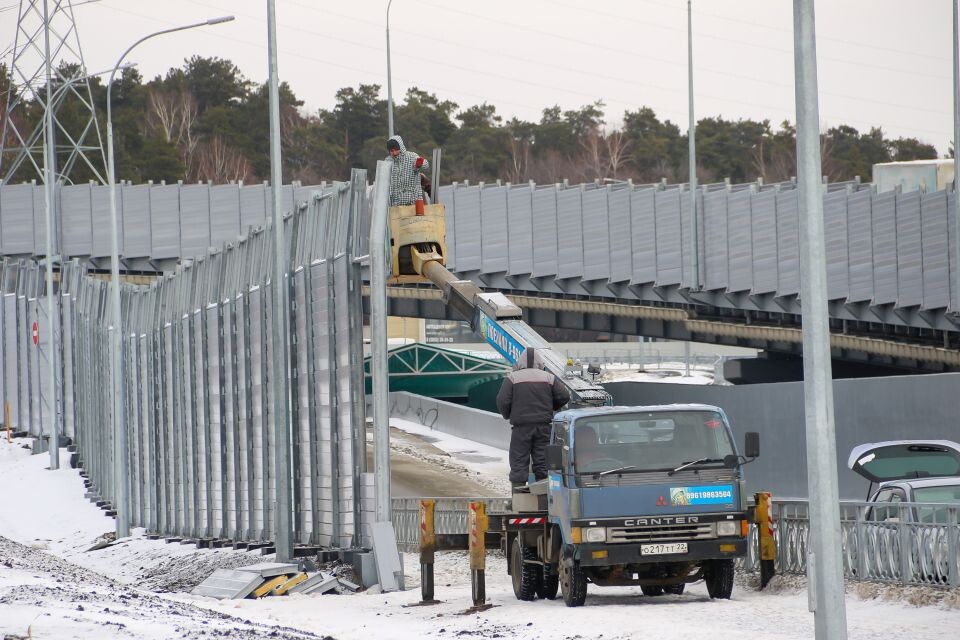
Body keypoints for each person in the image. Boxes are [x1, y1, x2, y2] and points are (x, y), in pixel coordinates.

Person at [496, 348, 570, 487]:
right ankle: (544, 501)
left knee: (519, 463)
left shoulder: (512, 378)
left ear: (520, 363)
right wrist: (552, 406)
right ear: (540, 363)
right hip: (543, 427)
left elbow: (502, 400)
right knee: (543, 464)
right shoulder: (548, 378)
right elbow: (564, 396)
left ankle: (519, 500)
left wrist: (508, 414)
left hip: (521, 429)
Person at [386, 135, 429, 207]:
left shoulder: (411, 156)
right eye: (391, 151)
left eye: (396, 150)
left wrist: (420, 163)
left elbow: (426, 165)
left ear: (401, 147)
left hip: (414, 203)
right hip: (396, 205)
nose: (394, 153)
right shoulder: (388, 161)